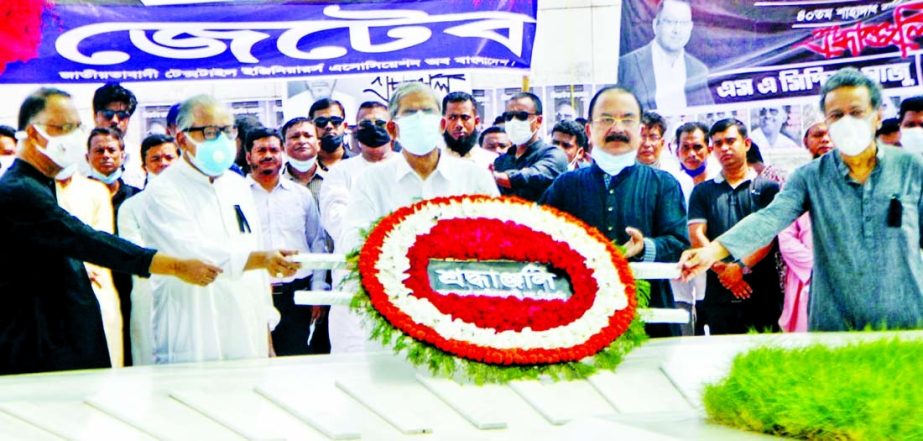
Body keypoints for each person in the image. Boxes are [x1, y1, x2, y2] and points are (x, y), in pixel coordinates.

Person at [680, 68, 923, 332]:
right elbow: (769, 218)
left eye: (856, 112)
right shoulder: (810, 177)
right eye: (836, 115)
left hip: (906, 318)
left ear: (877, 117)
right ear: (828, 124)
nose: (846, 122)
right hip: (835, 321)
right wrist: (712, 252)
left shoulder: (911, 168)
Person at [0, 87, 220, 375]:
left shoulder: (42, 183)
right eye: (63, 128)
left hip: (59, 333)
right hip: (37, 345)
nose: (73, 136)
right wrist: (175, 265)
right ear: (34, 134)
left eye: (76, 127)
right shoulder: (21, 191)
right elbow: (88, 241)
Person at [333, 82, 500, 353]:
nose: (420, 119)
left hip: (462, 319)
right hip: (393, 321)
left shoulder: (474, 178)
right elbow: (353, 243)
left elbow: (499, 241)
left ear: (441, 124)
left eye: (427, 111)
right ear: (393, 129)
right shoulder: (371, 182)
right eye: (410, 114)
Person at [140, 94, 302, 364]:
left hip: (246, 329)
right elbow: (193, 253)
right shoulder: (163, 189)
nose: (223, 141)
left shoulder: (237, 185)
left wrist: (266, 334)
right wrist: (260, 259)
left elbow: (255, 252)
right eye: (210, 132)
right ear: (182, 139)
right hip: (194, 326)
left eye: (228, 131)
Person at [540, 86, 689, 338]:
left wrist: (644, 248)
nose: (617, 128)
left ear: (641, 131)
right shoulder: (565, 186)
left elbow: (678, 243)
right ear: (589, 130)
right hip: (582, 320)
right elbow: (539, 238)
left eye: (627, 119)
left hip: (651, 317)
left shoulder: (664, 184)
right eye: (606, 119)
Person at [686, 119, 782, 335]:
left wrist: (739, 267)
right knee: (723, 360)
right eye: (718, 144)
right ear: (712, 150)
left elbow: (768, 237)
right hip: (719, 294)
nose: (724, 148)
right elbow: (697, 236)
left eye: (730, 141)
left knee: (766, 358)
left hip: (762, 292)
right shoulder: (702, 192)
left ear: (746, 143)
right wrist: (724, 272)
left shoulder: (767, 188)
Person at [246, 127, 329, 356]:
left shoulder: (300, 195)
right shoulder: (237, 197)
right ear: (248, 157)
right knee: (256, 363)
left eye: (274, 149)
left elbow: (317, 242)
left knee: (296, 367)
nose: (268, 155)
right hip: (253, 294)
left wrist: (317, 290)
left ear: (282, 152)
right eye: (261, 150)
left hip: (296, 297)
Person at [116, 133, 180, 365]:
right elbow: (138, 256)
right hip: (149, 295)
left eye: (168, 157)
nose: (162, 163)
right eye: (155, 159)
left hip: (190, 293)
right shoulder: (131, 207)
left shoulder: (195, 204)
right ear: (144, 165)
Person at [320, 101, 397, 247]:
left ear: (392, 128)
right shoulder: (339, 172)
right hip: (355, 259)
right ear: (356, 130)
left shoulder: (408, 167)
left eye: (380, 123)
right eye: (366, 124)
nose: (373, 128)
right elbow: (335, 219)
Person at [617, 0, 713, 114]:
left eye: (683, 23)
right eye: (670, 22)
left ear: (690, 27)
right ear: (655, 25)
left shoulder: (699, 71)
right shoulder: (628, 65)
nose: (677, 30)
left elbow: (707, 116)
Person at [493, 92, 568, 201]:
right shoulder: (501, 161)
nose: (514, 122)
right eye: (508, 116)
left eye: (521, 116)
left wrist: (495, 176)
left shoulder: (554, 155)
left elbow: (532, 176)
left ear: (538, 121)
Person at [442, 91, 497, 169]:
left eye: (465, 118)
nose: (459, 125)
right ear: (443, 122)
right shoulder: (433, 162)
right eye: (452, 118)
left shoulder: (491, 161)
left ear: (477, 121)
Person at [280, 117, 325, 205]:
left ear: (318, 144)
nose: (302, 141)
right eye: (295, 137)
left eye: (308, 136)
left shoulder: (332, 181)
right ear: (283, 147)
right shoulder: (275, 185)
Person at [310, 98, 351, 172]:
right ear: (312, 127)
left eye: (335, 121)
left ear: (345, 126)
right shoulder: (302, 168)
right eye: (321, 122)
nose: (329, 126)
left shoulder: (360, 163)